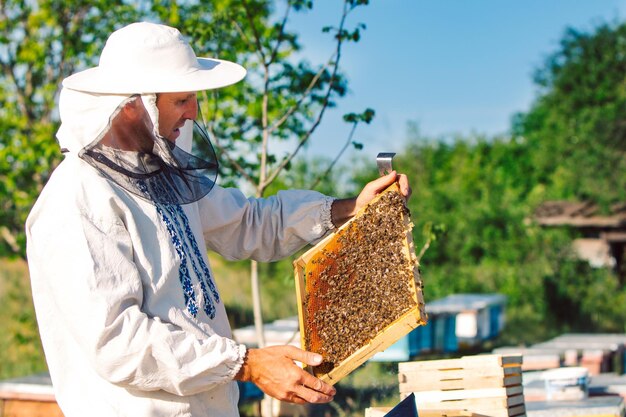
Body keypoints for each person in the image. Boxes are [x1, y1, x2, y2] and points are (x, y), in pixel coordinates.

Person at [25, 22, 411, 417]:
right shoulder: (76, 201)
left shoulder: (161, 175)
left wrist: (348, 208)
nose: (193, 112)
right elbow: (120, 342)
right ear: (131, 103)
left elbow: (248, 223)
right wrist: (247, 364)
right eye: (181, 100)